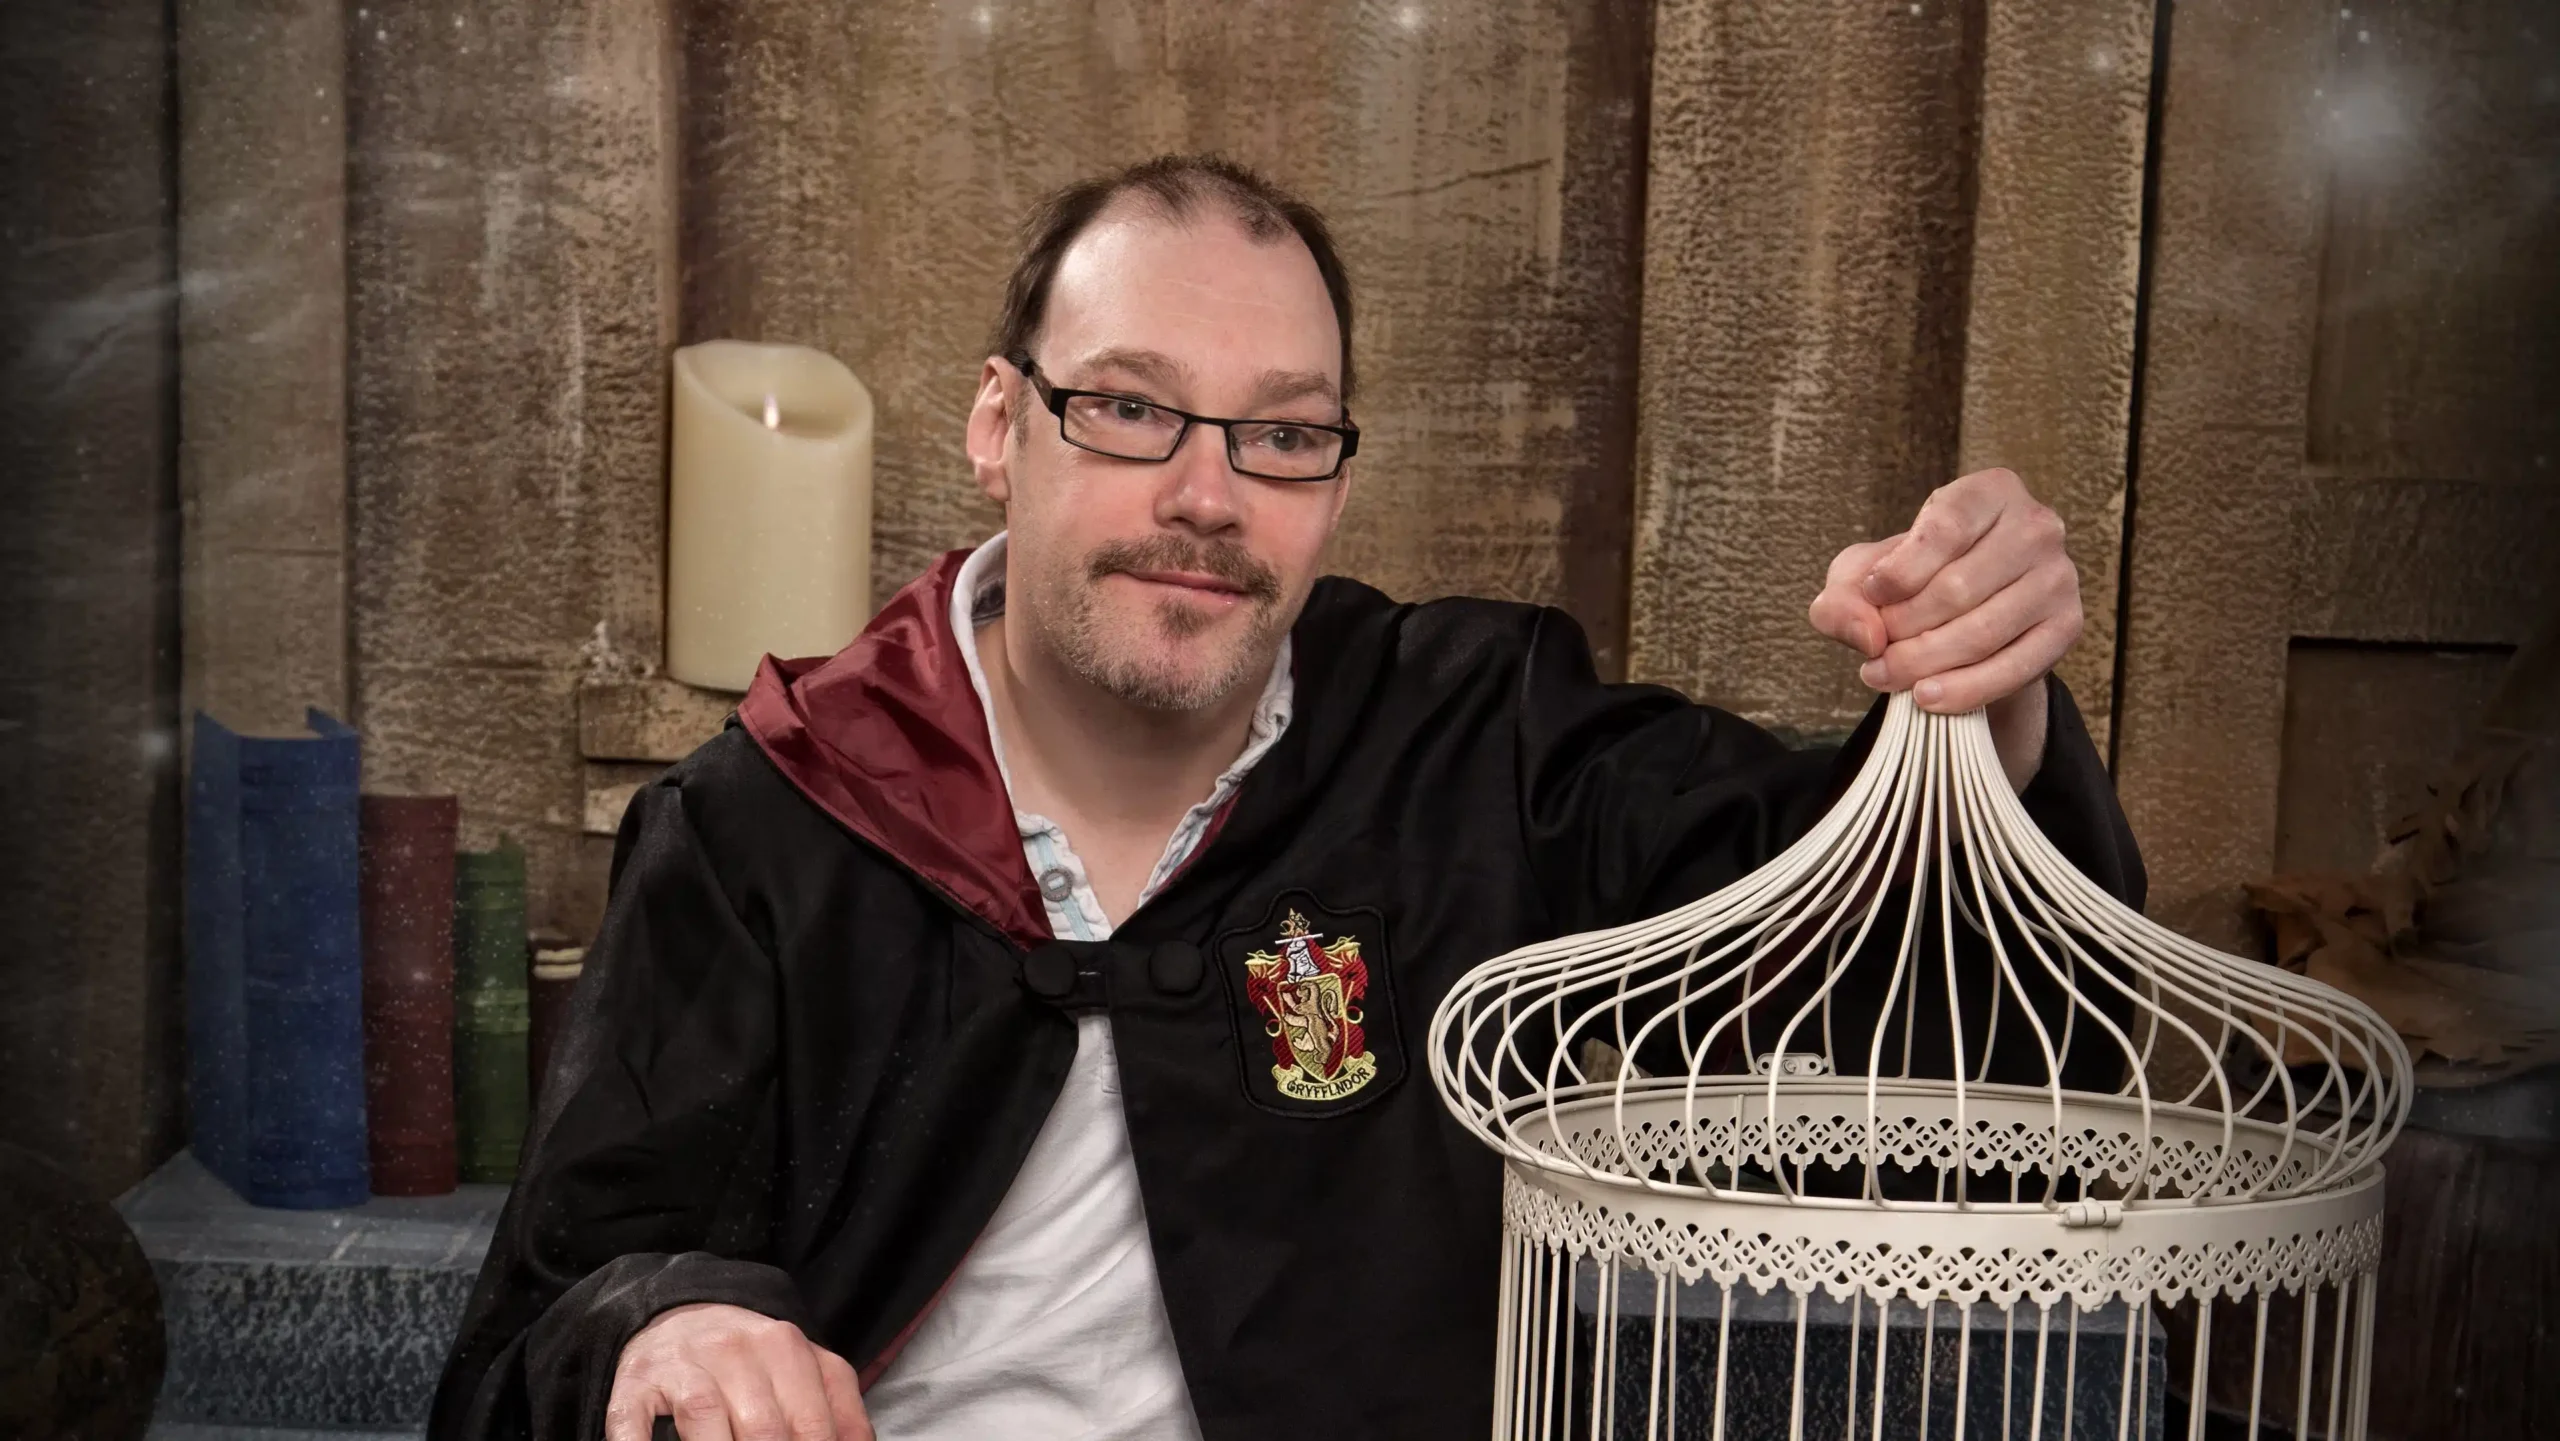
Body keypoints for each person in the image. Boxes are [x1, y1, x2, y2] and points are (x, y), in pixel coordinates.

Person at [429, 154, 2140, 1441]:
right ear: (995, 425)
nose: (1206, 494)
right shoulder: (772, 821)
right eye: (1129, 410)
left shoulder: (1474, 739)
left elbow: (1924, 980)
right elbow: (557, 1315)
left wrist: (1984, 701)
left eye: (1285, 433)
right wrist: (667, 1328)